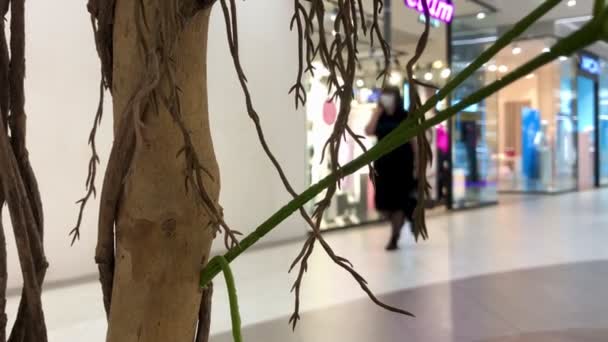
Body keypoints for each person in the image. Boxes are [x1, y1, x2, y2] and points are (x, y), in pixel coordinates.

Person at [365, 86, 417, 251]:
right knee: (384, 204)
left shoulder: (404, 115)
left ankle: (394, 236)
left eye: (389, 95)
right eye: (384, 95)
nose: (386, 98)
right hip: (383, 163)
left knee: (398, 202)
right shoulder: (379, 115)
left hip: (402, 163)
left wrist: (417, 163)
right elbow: (369, 130)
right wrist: (377, 112)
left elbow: (413, 139)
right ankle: (407, 217)